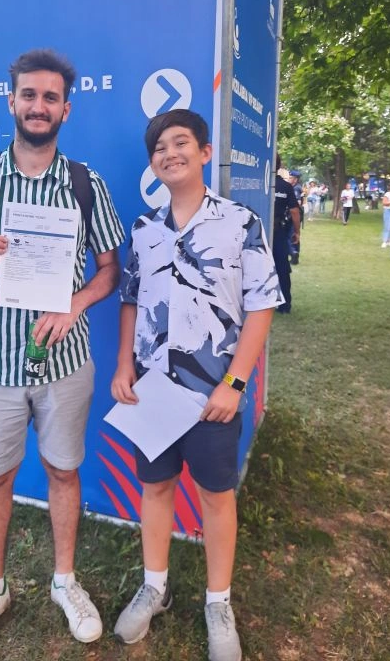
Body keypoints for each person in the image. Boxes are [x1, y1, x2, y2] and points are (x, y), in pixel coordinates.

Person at [0, 49, 125, 661]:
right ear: (11, 100)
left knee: (64, 471)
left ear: (67, 108)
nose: (39, 106)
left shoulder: (85, 184)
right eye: (29, 95)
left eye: (50, 97)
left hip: (65, 364)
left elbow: (110, 269)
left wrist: (74, 305)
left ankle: (65, 581)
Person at [110, 109, 282, 661]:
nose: (170, 154)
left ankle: (217, 602)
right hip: (153, 390)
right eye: (159, 148)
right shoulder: (144, 229)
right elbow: (130, 301)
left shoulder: (240, 222)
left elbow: (261, 306)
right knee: (155, 487)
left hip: (212, 395)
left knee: (215, 496)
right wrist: (123, 365)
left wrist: (235, 382)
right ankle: (154, 587)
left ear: (205, 152)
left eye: (180, 142)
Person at [273, 156, 301, 313]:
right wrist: (297, 232)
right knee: (282, 268)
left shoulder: (255, 184)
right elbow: (294, 211)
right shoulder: (285, 186)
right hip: (278, 231)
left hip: (256, 232)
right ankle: (284, 305)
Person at [288, 170, 303, 263]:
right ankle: (295, 253)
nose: (289, 179)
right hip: (294, 214)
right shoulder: (294, 187)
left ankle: (294, 253)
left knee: (292, 234)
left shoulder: (296, 188)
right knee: (293, 234)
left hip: (294, 214)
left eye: (291, 178)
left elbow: (297, 203)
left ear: (295, 179)